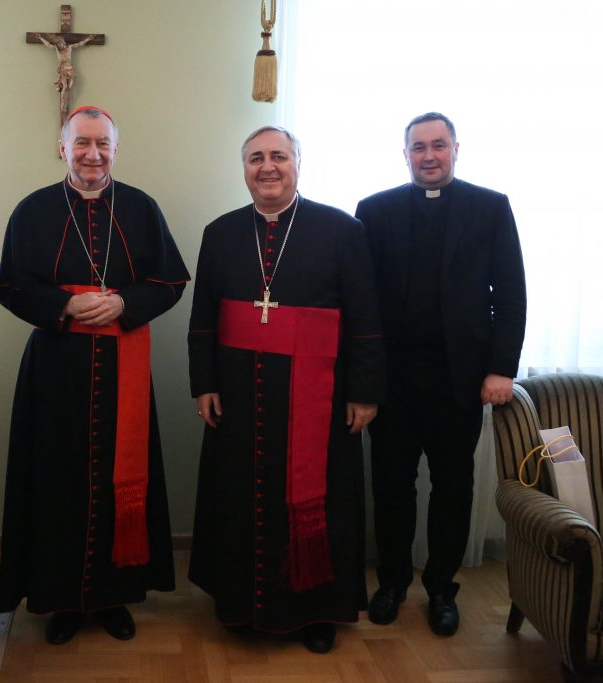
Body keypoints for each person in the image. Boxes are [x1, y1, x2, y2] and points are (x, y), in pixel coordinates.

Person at [0, 105, 189, 645]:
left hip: (124, 363)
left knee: (118, 478)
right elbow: (9, 285)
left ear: (115, 150)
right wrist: (66, 307)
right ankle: (62, 600)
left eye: (103, 144)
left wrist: (125, 301)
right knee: (57, 477)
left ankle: (113, 597)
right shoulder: (33, 210)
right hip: (57, 370)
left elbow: (171, 280)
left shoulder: (140, 208)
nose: (92, 153)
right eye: (82, 143)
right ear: (63, 148)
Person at [187, 126, 385, 654]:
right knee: (241, 496)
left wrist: (364, 391)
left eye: (279, 156)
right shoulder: (221, 231)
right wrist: (202, 382)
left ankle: (317, 609)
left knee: (320, 497)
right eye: (256, 157)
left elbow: (365, 318)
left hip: (318, 397)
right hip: (238, 392)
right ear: (244, 168)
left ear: (300, 163)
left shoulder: (342, 230)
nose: (267, 167)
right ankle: (239, 603)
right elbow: (203, 317)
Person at [355, 112, 526, 636]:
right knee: (391, 488)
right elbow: (360, 302)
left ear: (456, 149)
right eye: (418, 147)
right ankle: (390, 584)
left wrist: (501, 368)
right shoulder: (373, 210)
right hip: (394, 380)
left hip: (460, 380)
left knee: (452, 489)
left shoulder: (490, 207)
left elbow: (511, 294)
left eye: (438, 145)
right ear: (403, 153)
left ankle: (441, 590)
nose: (428, 155)